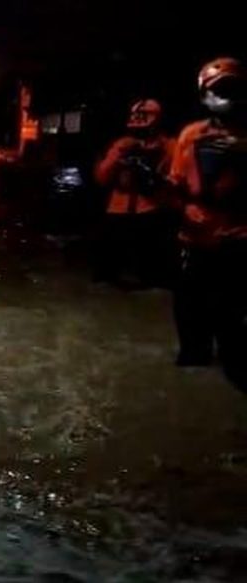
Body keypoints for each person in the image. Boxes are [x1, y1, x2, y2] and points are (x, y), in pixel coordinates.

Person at [169, 57, 247, 386]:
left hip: (239, 239)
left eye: (232, 89)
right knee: (189, 311)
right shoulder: (190, 135)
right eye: (217, 91)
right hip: (194, 238)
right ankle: (194, 357)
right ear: (203, 96)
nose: (225, 97)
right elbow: (174, 188)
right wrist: (185, 208)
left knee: (234, 317)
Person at [93, 99, 177, 288]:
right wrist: (119, 155)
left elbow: (176, 180)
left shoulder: (170, 146)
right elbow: (102, 177)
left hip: (152, 208)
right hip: (119, 208)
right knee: (106, 271)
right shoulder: (121, 145)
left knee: (153, 272)